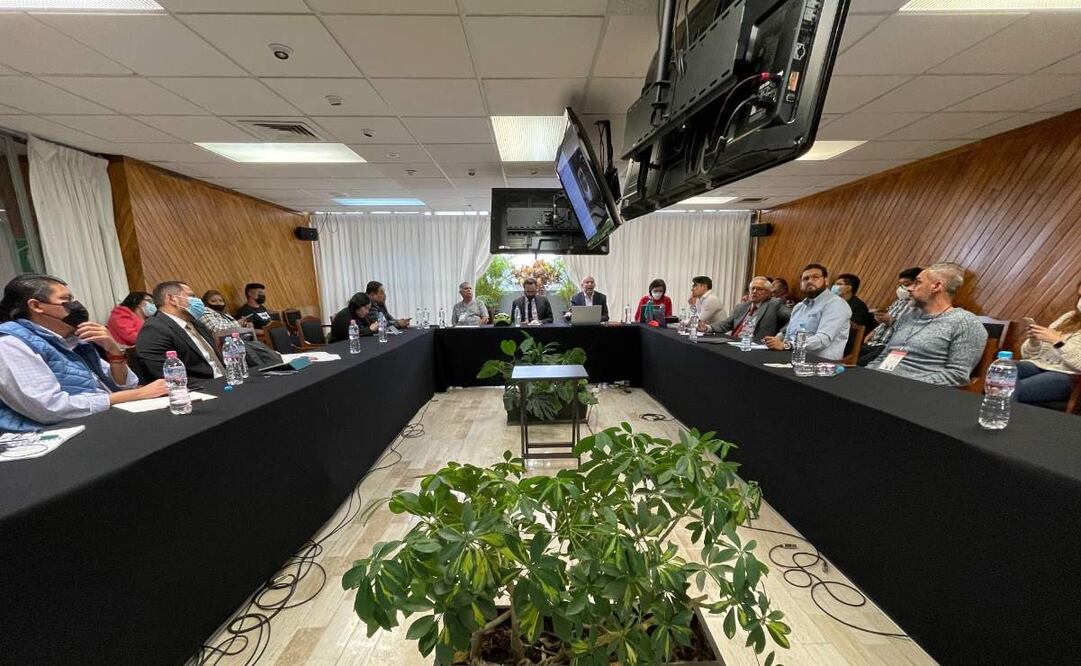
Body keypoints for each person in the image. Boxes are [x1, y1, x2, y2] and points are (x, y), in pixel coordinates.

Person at [0, 274, 167, 431]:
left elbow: (126, 384)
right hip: (49, 437)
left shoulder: (74, 338)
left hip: (97, 422)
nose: (76, 306)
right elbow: (50, 408)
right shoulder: (11, 344)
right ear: (36, 306)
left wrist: (113, 350)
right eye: (65, 299)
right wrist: (138, 394)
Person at [867, 263, 987, 386]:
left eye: (918, 282)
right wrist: (866, 375)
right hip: (878, 384)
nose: (909, 288)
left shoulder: (965, 322)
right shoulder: (907, 316)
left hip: (914, 393)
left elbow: (957, 375)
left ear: (936, 286)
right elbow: (883, 357)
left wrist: (903, 384)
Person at [136, 281, 226, 381]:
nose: (197, 301)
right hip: (201, 389)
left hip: (225, 381)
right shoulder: (153, 330)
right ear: (172, 299)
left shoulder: (197, 324)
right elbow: (172, 379)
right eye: (191, 296)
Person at [764, 264, 851, 361]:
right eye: (805, 279)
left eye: (815, 277)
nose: (809, 281)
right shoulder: (799, 307)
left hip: (819, 363)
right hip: (792, 357)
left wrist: (787, 345)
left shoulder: (836, 304)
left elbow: (823, 340)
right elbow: (788, 335)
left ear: (826, 281)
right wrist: (776, 341)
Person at [1016, 280, 1081, 404]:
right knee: (999, 372)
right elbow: (1029, 355)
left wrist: (1057, 341)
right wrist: (1034, 341)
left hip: (1068, 375)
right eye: (1080, 296)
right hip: (1039, 365)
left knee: (1012, 390)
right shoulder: (1069, 317)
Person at [857, 267, 922, 366]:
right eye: (900, 285)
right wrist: (874, 330)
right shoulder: (899, 301)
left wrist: (892, 321)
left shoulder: (920, 306)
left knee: (858, 365)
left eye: (906, 284)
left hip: (887, 347)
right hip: (873, 342)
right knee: (847, 355)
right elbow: (886, 319)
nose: (902, 288)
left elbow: (913, 330)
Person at [704, 276, 790, 341]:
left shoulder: (774, 304)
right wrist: (707, 328)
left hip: (756, 347)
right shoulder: (741, 307)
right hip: (733, 343)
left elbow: (794, 319)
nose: (754, 291)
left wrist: (780, 336)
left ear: (768, 293)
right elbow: (725, 324)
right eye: (752, 288)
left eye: (759, 289)